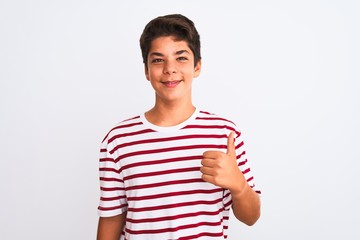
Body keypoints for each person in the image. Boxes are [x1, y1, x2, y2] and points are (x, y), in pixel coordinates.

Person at [96, 14, 261, 240]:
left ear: (197, 67)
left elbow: (251, 217)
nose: (169, 68)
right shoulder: (118, 141)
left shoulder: (224, 134)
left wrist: (238, 185)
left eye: (181, 58)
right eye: (157, 60)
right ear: (146, 71)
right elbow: (112, 219)